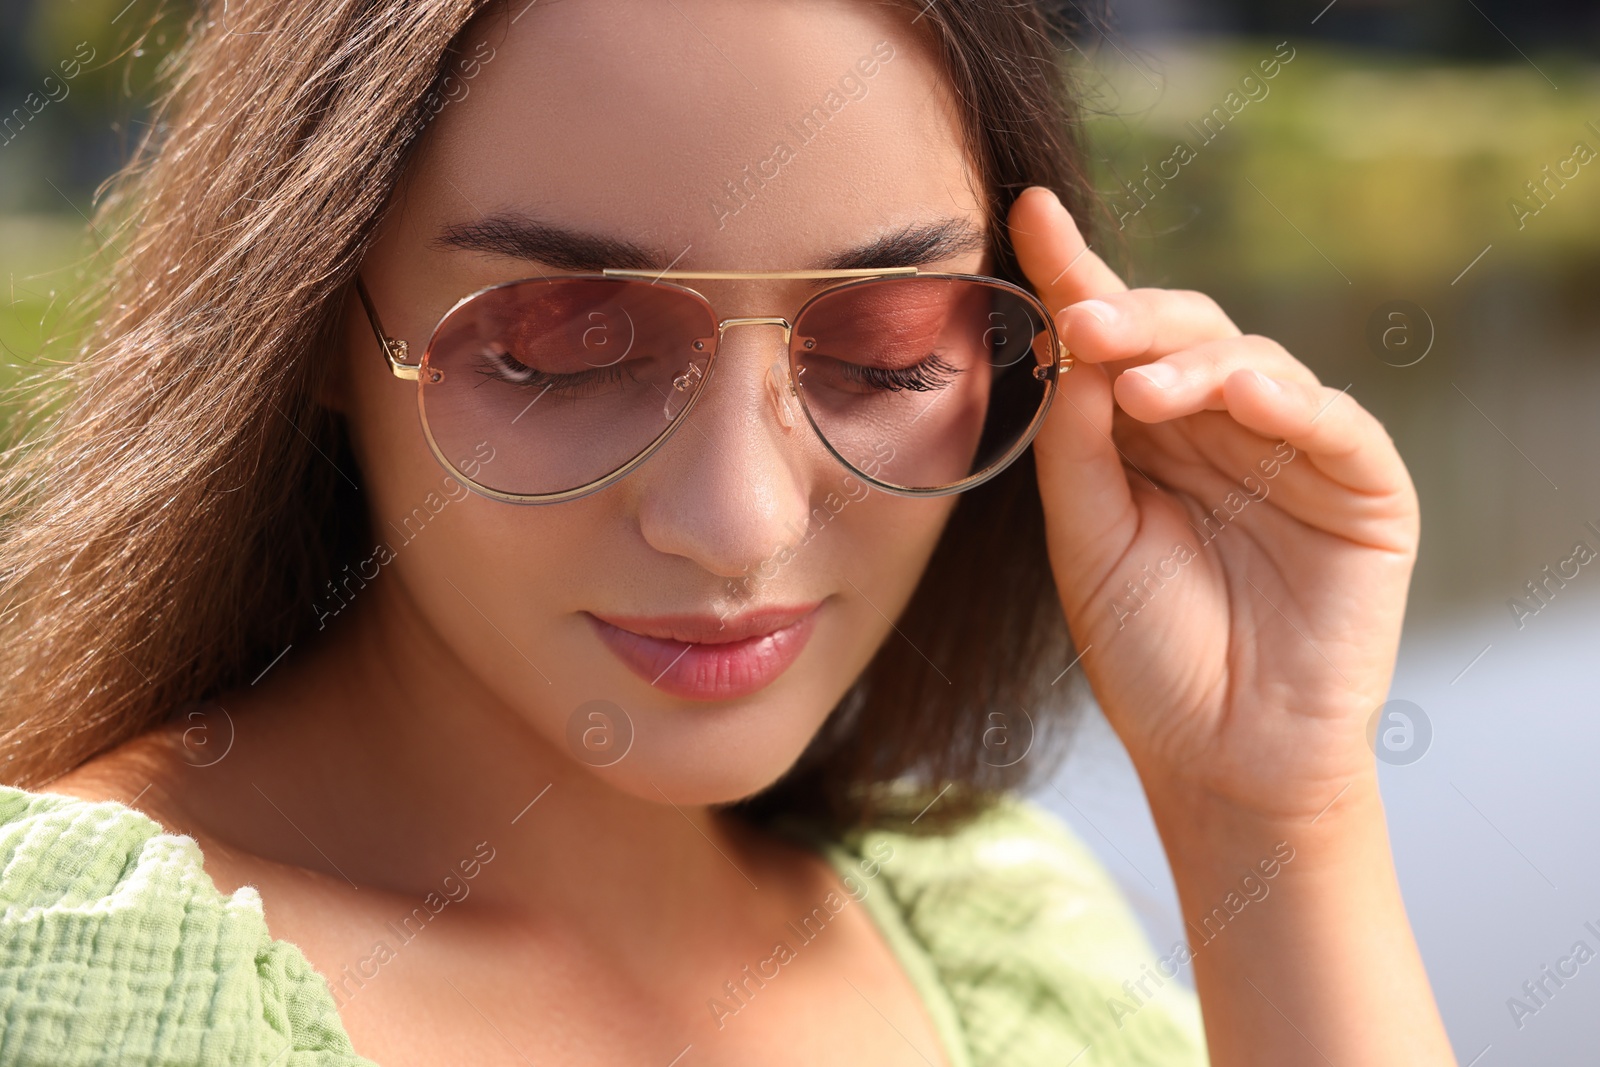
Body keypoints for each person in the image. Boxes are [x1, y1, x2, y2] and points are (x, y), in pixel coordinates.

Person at [0, 1, 1457, 1064]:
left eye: (885, 352)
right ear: (322, 320)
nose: (737, 520)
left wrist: (1273, 819)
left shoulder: (1006, 952)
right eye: (566, 343)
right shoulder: (69, 979)